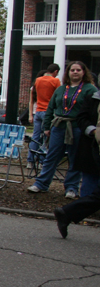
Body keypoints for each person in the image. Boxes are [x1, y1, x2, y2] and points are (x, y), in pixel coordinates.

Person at [28, 61, 97, 198]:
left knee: (74, 158)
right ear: (68, 73)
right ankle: (41, 183)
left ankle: (71, 188)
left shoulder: (90, 89)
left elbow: (93, 111)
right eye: (72, 70)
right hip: (59, 127)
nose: (75, 72)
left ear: (84, 72)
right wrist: (47, 126)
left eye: (78, 70)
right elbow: (50, 108)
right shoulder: (61, 89)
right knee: (51, 156)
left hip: (77, 128)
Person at [54, 87, 100, 237]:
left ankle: (67, 213)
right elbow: (85, 118)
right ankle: (66, 213)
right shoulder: (94, 97)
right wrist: (93, 131)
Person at [27, 64, 61, 168]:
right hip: (49, 111)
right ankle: (42, 161)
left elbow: (34, 95)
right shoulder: (55, 81)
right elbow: (58, 96)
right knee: (46, 137)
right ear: (55, 72)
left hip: (38, 110)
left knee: (36, 135)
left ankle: (30, 160)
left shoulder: (38, 80)